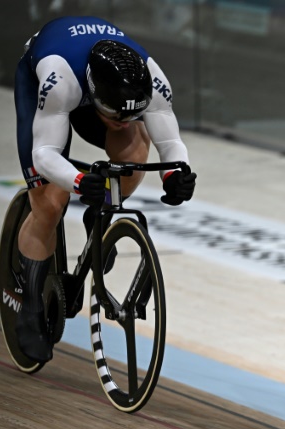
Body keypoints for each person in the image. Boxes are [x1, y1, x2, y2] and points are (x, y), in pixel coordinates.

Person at [14, 16, 197, 363]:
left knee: (135, 150)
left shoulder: (153, 80)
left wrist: (175, 175)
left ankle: (99, 213)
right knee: (50, 204)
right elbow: (44, 154)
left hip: (97, 95)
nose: (124, 122)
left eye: (132, 114)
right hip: (49, 91)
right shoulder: (60, 81)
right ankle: (30, 303)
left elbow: (170, 142)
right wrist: (79, 182)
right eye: (117, 115)